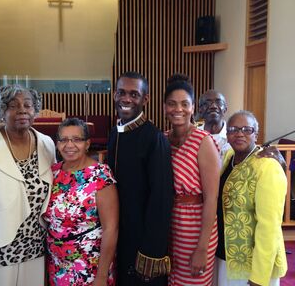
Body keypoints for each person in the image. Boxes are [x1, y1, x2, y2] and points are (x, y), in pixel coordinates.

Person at [0, 84, 56, 286]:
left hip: (36, 249)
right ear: (1, 111)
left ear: (35, 110)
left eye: (28, 105)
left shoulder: (46, 143)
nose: (22, 110)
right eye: (13, 105)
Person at [107, 71, 173, 286]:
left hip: (143, 237)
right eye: (121, 93)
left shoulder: (153, 138)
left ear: (145, 99)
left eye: (134, 94)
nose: (126, 99)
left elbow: (161, 198)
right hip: (120, 232)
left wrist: (151, 250)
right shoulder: (116, 132)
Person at [43, 118, 119, 286]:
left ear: (87, 144)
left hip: (89, 266)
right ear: (57, 144)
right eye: (63, 140)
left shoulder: (100, 175)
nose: (69, 145)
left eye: (77, 139)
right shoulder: (53, 172)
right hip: (57, 264)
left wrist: (101, 276)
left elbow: (111, 229)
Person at [215, 110, 287, 286]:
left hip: (253, 265)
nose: (239, 134)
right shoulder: (229, 158)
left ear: (256, 134)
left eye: (247, 129)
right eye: (233, 129)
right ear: (227, 134)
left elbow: (269, 226)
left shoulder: (267, 166)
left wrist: (259, 277)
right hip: (227, 256)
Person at [164, 74, 221, 286]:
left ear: (193, 106)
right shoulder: (163, 139)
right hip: (171, 226)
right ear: (164, 107)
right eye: (172, 104)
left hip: (196, 229)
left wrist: (202, 248)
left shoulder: (203, 141)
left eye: (184, 104)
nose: (178, 109)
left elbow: (211, 198)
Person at [198, 89, 286, 166]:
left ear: (225, 109)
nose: (213, 106)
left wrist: (278, 162)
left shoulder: (236, 136)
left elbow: (252, 152)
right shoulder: (192, 135)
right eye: (207, 103)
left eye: (218, 102)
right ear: (200, 110)